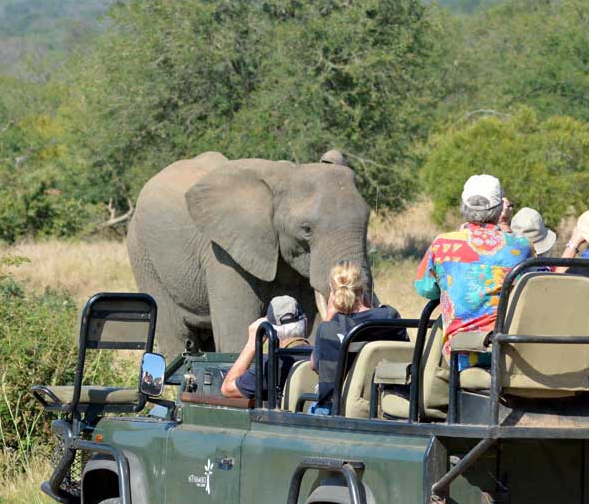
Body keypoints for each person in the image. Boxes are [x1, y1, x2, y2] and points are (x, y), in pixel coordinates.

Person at [413, 174, 533, 368]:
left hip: (461, 354)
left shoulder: (443, 244)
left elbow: (425, 289)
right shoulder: (521, 246)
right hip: (510, 351)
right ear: (499, 209)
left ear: (464, 208)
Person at [310, 261, 401, 413]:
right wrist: (370, 308)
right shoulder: (390, 317)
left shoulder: (330, 328)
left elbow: (315, 365)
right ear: (363, 288)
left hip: (341, 406)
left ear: (333, 293)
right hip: (387, 399)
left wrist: (328, 319)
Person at [221, 296, 311, 400]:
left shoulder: (271, 364)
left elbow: (227, 389)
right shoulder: (321, 356)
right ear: (306, 323)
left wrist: (252, 344)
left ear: (268, 331)